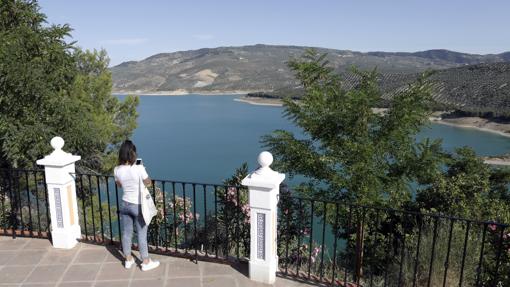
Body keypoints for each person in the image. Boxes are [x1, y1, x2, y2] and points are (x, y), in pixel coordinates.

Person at [114, 140, 160, 271]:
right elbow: (148, 183)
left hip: (125, 204)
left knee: (126, 233)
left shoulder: (117, 169)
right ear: (132, 153)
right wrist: (141, 167)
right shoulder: (139, 167)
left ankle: (128, 259)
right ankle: (145, 261)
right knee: (141, 234)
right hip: (138, 205)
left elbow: (119, 185)